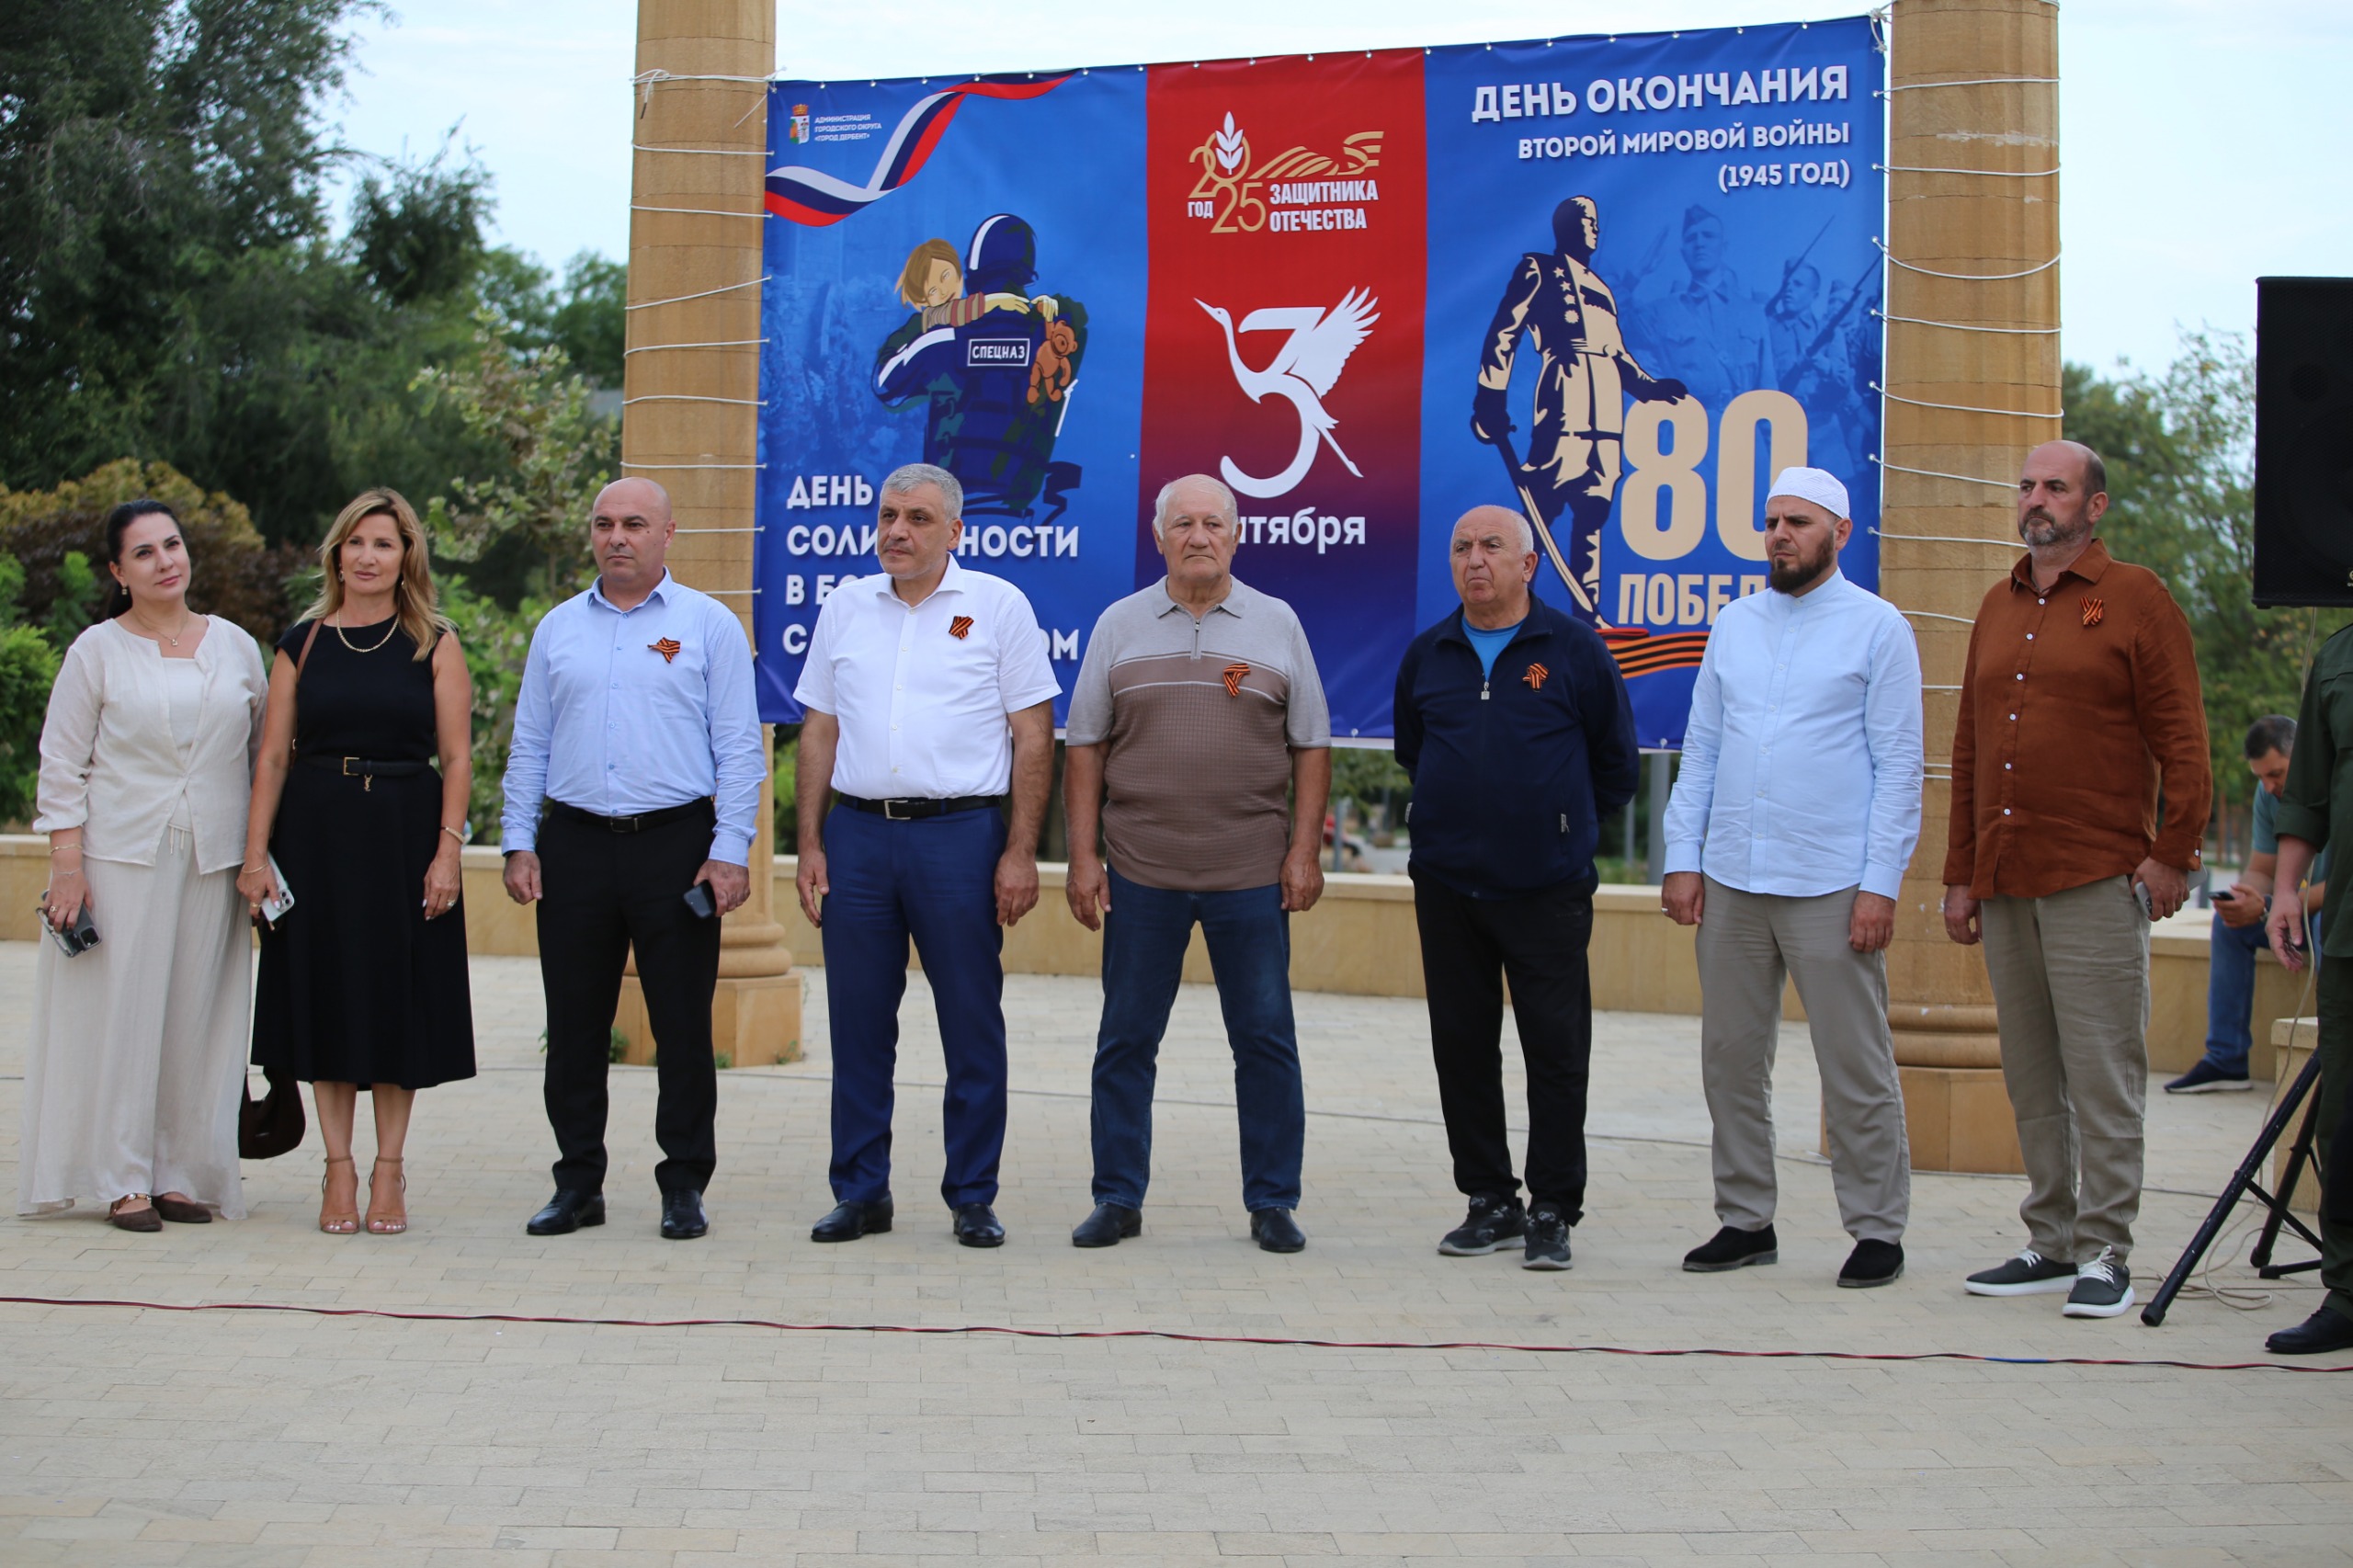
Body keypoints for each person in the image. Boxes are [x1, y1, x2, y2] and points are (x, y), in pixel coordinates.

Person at [1944, 440, 2211, 1319]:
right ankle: (2050, 1238)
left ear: (2093, 507)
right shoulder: (1996, 603)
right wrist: (1960, 874)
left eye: (2055, 487)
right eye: (2026, 485)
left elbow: (2185, 741)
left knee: (2102, 1071)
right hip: (2006, 876)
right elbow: (1970, 752)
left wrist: (2172, 853)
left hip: (2096, 875)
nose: (2035, 499)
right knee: (2031, 1074)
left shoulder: (2138, 599)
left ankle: (2107, 1249)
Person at [1661, 468, 1923, 1289]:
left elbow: (1900, 768)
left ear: (1840, 534)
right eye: (1771, 520)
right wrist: (1681, 856)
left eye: (1798, 522)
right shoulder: (1733, 625)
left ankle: (1878, 1229)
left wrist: (1881, 884)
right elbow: (1700, 751)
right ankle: (1745, 1219)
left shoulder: (1879, 629)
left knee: (1856, 1065)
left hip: (1832, 882)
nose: (1779, 535)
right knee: (1731, 1059)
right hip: (1734, 876)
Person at [1062, 474, 1333, 1255]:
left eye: (1214, 522)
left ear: (1236, 535)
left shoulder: (1278, 624)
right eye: (1183, 523)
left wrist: (1303, 850)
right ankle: (1117, 1197)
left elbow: (1310, 744)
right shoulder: (1119, 625)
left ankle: (1273, 1201)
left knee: (1265, 1042)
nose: (1199, 536)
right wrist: (1084, 859)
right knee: (1125, 1041)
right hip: (1142, 873)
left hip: (1251, 874)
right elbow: (1085, 746)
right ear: (1159, 538)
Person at [794, 461, 1059, 1247]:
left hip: (960, 839)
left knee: (971, 1022)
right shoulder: (845, 606)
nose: (896, 532)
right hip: (859, 838)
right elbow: (818, 729)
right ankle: (861, 1190)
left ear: (954, 531)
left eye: (916, 518)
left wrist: (1019, 850)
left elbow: (1034, 734)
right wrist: (809, 841)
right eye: (887, 516)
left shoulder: (999, 606)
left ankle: (972, 1194)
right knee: (860, 1023)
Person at [500, 477, 764, 1243]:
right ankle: (577, 1182)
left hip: (676, 848)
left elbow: (739, 749)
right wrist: (520, 840)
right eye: (605, 524)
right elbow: (532, 744)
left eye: (635, 524)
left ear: (668, 535)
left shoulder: (707, 625)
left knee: (682, 1027)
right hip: (574, 844)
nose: (618, 536)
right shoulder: (558, 629)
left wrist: (728, 853)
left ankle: (683, 1184)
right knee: (574, 1026)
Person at [1392, 505, 1639, 1269]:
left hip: (1546, 890)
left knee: (1555, 1052)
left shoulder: (1572, 651)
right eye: (1462, 547)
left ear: (1528, 564)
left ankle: (1554, 1208)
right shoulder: (1428, 654)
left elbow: (1616, 768)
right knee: (1462, 1047)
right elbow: (1415, 753)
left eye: (1493, 546)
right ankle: (1489, 1199)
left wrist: (1557, 829)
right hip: (1447, 887)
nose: (1476, 560)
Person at [20, 499, 268, 1229]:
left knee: (199, 1013)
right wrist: (68, 865)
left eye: (173, 545)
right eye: (145, 553)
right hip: (120, 853)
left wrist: (260, 858)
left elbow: (260, 758)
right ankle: (122, 1176)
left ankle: (180, 1172)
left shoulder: (235, 646)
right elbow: (61, 763)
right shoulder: (96, 650)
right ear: (118, 572)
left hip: (214, 859)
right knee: (122, 1017)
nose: (166, 561)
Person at [240, 489, 478, 1236]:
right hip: (315, 839)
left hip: (407, 836)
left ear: (408, 555)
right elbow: (273, 756)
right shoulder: (300, 643)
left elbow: (460, 756)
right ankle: (337, 1170)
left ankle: (389, 1170)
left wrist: (448, 853)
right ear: (336, 553)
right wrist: (255, 859)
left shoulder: (435, 642)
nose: (369, 556)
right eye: (356, 543)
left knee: (396, 1001)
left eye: (385, 543)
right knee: (328, 999)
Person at [1472, 195, 1686, 623]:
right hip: (1564, 392)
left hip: (1606, 406)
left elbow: (1619, 354)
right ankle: (1512, 610)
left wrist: (1650, 387)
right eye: (1587, 220)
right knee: (1542, 510)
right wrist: (1490, 396)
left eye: (1596, 222)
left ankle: (1587, 617)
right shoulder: (1540, 269)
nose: (1595, 229)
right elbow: (1504, 332)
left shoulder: (1603, 288)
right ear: (1567, 225)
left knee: (1593, 509)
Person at [2263, 631, 2353, 1354]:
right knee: (2346, 1118)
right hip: (2352, 927)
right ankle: (2348, 1290)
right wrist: (2287, 890)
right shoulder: (2338, 656)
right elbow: (2310, 793)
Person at [2169, 715, 2327, 1093]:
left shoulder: (2336, 785)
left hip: (2333, 911)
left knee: (2328, 923)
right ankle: (2227, 1059)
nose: (2269, 786)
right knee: (2229, 924)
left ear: (2302, 758)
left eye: (2276, 773)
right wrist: (2245, 898)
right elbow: (2262, 869)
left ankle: (2330, 1050)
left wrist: (2273, 905)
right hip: (2295, 909)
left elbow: (2345, 888)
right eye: (2261, 777)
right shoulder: (2268, 795)